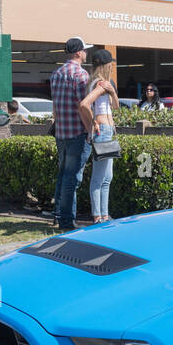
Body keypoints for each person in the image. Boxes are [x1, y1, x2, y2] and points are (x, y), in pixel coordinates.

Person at [49, 37, 93, 230]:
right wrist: (90, 130)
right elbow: (83, 106)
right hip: (77, 133)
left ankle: (58, 215)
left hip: (61, 132)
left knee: (62, 175)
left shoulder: (56, 74)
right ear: (78, 53)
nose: (86, 53)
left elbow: (55, 107)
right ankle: (67, 221)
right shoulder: (82, 76)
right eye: (84, 50)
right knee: (72, 179)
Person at [80, 49, 119, 223]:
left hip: (106, 131)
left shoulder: (102, 84)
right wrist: (93, 122)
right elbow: (84, 104)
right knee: (99, 177)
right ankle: (98, 216)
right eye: (110, 63)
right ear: (106, 65)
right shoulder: (100, 84)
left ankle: (104, 214)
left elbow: (116, 106)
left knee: (107, 177)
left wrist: (112, 92)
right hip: (102, 131)